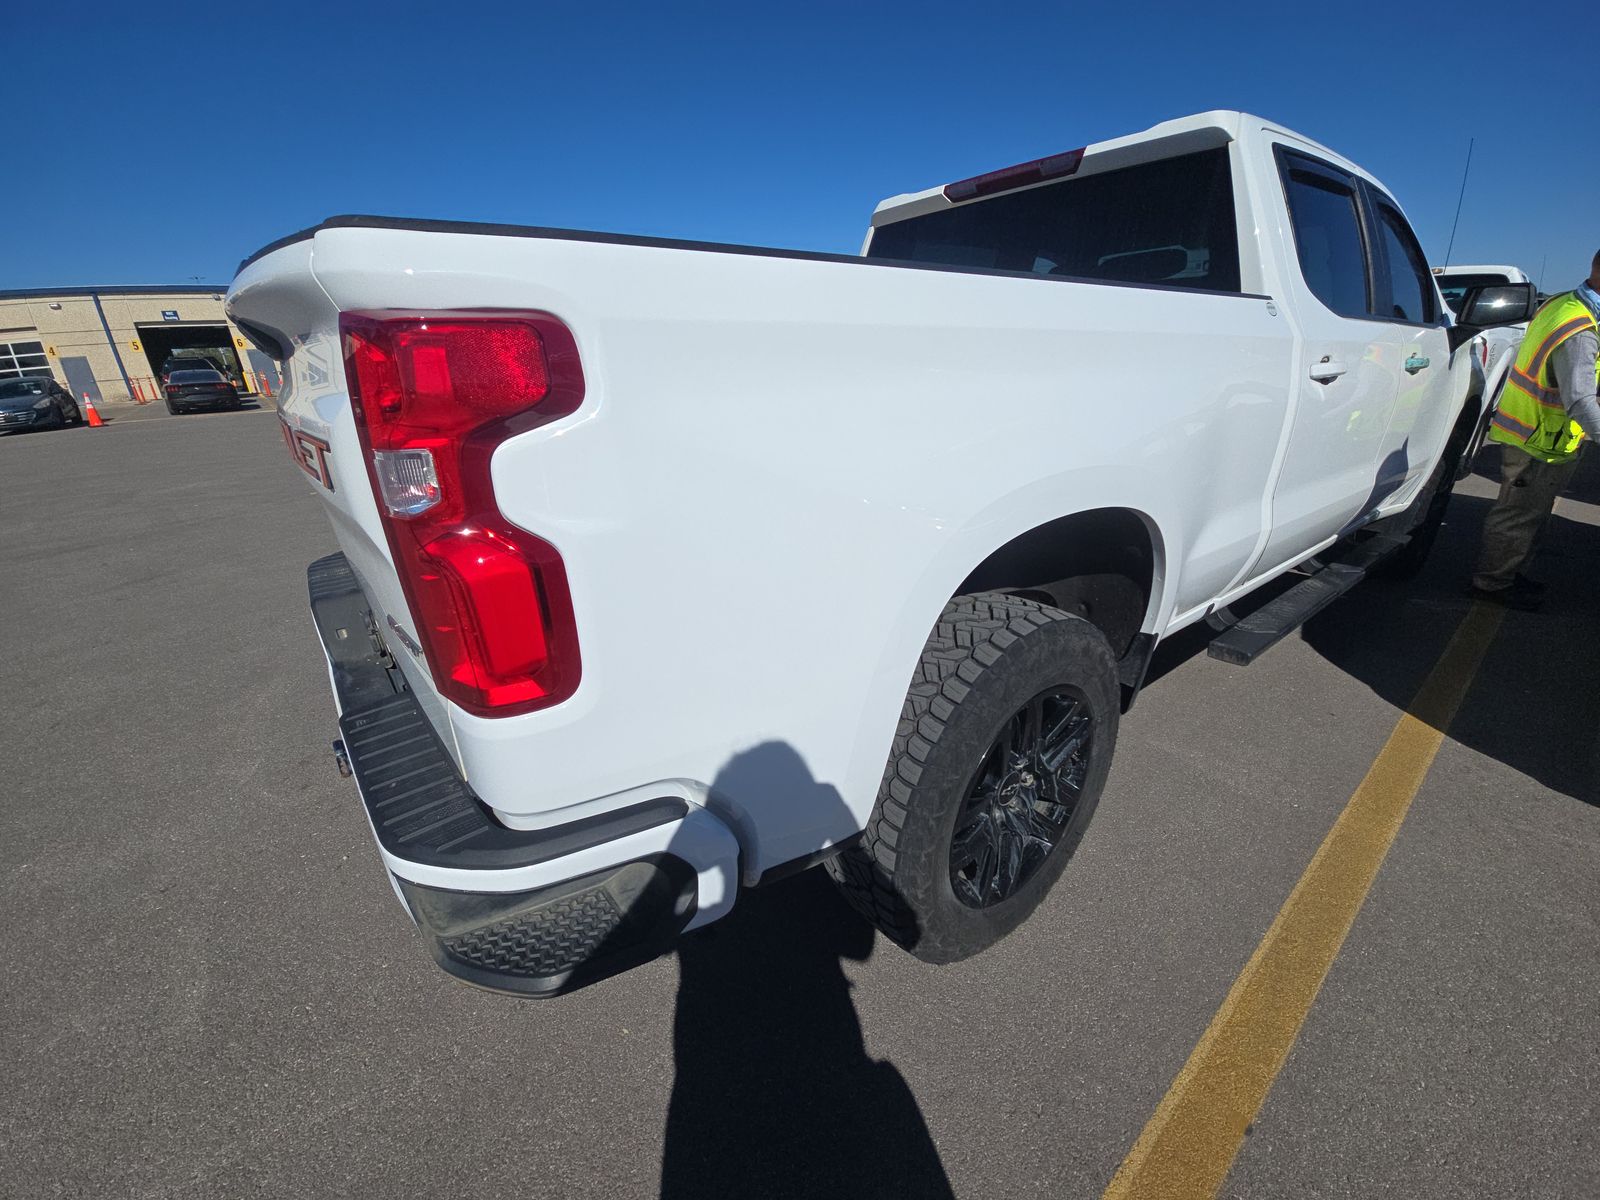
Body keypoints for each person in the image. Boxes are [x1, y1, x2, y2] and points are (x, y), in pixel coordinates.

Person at [1469, 250, 1600, 609]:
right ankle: (1492, 583)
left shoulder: (1564, 303)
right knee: (1518, 514)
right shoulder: (1581, 329)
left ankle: (1510, 573)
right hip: (1537, 438)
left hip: (1540, 434)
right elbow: (1581, 400)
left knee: (1531, 512)